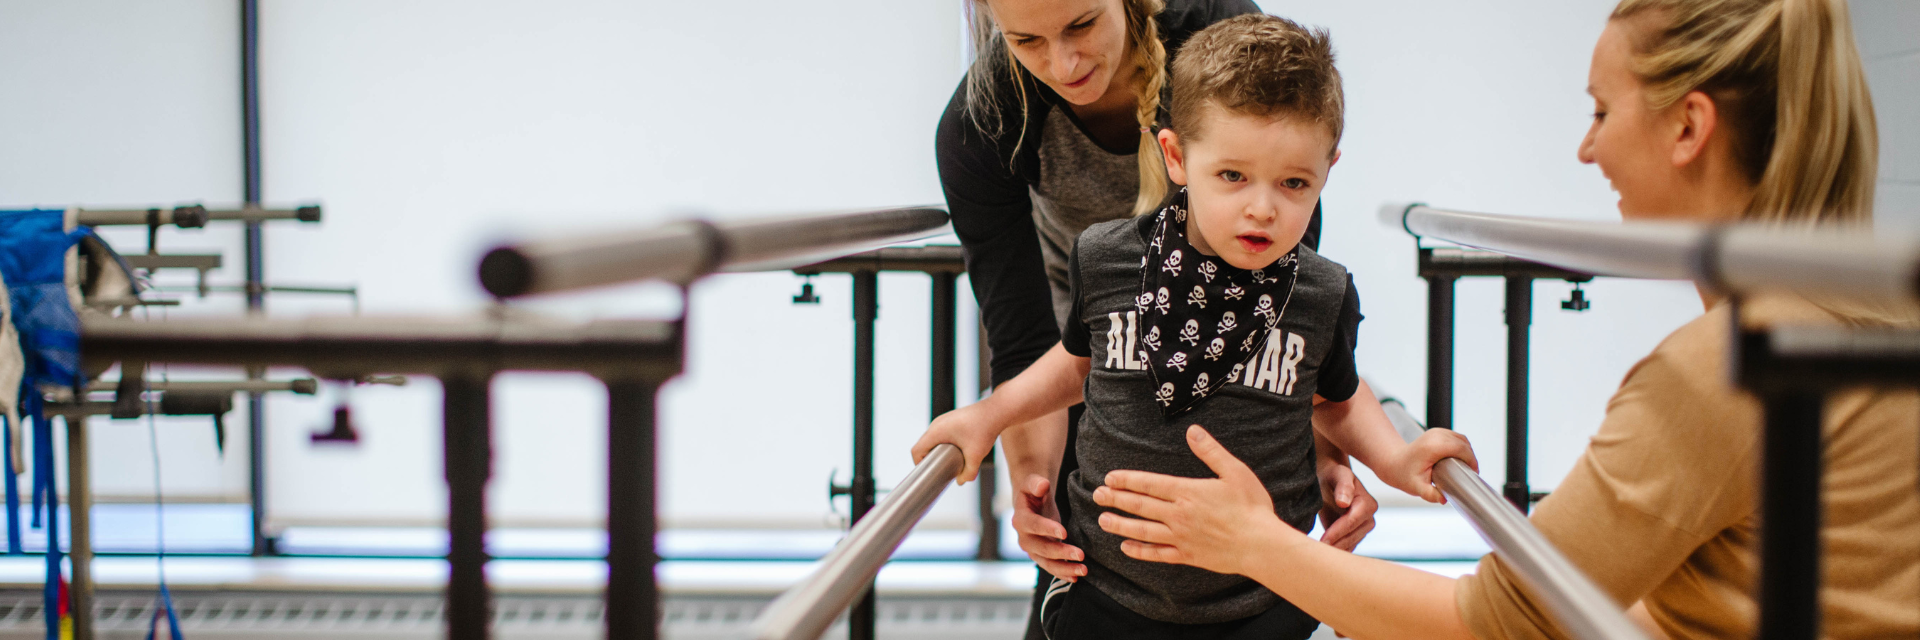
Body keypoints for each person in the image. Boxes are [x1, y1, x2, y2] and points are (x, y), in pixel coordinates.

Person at [1089, 0, 1920, 638]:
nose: (1586, 152)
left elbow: (1496, 623)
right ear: (1177, 159)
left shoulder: (1726, 371)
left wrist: (1254, 543)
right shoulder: (1865, 313)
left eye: (1599, 112)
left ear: (1689, 128)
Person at [915, 15, 1476, 640]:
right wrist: (988, 419)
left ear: (1326, 173)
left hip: (1259, 600)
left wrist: (1397, 459)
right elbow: (1066, 364)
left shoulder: (1320, 290)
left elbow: (1334, 395)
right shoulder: (1103, 258)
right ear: (1176, 157)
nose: (1262, 207)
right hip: (1111, 588)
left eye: (1294, 183)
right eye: (1232, 176)